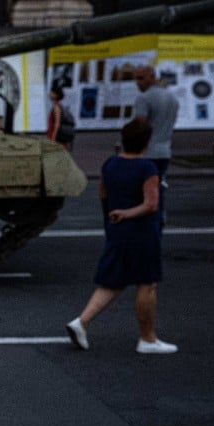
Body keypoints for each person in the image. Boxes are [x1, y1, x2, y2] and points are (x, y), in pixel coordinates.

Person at [65, 117, 176, 354]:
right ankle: (147, 339)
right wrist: (126, 213)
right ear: (146, 142)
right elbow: (151, 205)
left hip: (117, 232)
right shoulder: (148, 169)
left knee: (113, 281)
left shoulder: (110, 164)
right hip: (143, 232)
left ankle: (81, 322)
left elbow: (103, 195)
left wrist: (112, 219)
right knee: (147, 283)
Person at [132, 65, 177, 229]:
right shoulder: (171, 98)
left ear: (152, 77)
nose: (137, 83)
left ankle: (148, 222)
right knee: (158, 187)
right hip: (165, 151)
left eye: (141, 78)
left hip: (147, 152)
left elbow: (140, 127)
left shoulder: (144, 98)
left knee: (142, 191)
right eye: (135, 78)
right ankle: (160, 218)